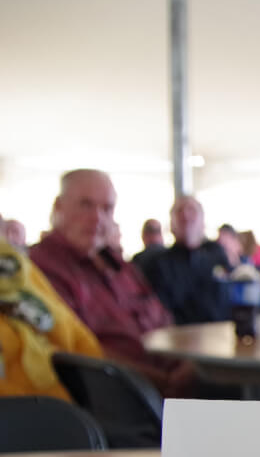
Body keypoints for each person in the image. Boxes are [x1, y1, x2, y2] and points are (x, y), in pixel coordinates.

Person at [29, 169, 191, 395]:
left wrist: (189, 364)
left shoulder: (117, 264)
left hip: (170, 382)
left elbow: (161, 316)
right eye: (86, 205)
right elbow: (74, 350)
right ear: (58, 207)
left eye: (107, 208)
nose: (97, 218)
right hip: (119, 402)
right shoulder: (41, 267)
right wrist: (163, 381)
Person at [0, 218, 104, 400]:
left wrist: (100, 382)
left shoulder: (16, 268)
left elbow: (74, 331)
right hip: (25, 415)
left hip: (67, 403)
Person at [134, 195, 231, 324]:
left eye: (192, 210)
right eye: (179, 211)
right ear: (171, 225)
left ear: (203, 222)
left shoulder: (217, 256)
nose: (185, 215)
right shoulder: (158, 264)